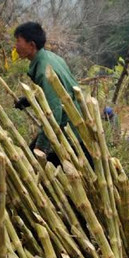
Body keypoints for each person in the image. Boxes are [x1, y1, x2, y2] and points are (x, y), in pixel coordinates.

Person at [13, 22, 80, 167]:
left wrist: (42, 146)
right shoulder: (51, 57)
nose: (15, 46)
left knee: (33, 165)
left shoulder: (44, 71)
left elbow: (54, 112)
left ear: (31, 45)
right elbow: (56, 93)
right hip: (75, 125)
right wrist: (29, 100)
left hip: (70, 133)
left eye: (18, 41)